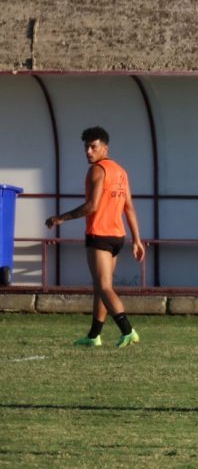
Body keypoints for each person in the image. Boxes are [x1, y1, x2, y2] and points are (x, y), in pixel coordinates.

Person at [46, 126, 145, 348]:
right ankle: (93, 336)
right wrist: (137, 240)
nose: (88, 152)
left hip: (99, 235)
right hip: (117, 237)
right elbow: (129, 207)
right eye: (86, 147)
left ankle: (128, 330)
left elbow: (92, 206)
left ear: (105, 148)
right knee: (101, 287)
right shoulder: (121, 171)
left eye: (93, 147)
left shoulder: (97, 170)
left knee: (104, 287)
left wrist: (60, 218)